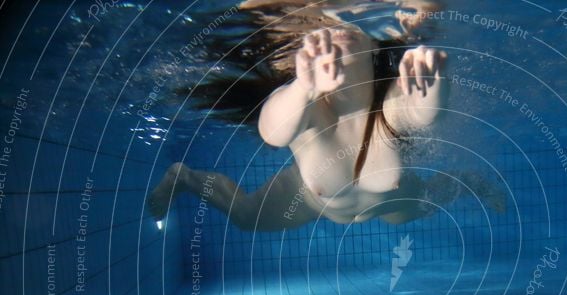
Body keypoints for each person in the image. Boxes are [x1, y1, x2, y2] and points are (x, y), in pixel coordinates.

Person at [146, 1, 506, 230]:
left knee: (424, 201)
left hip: (391, 203)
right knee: (246, 218)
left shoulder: (391, 101)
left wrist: (435, 84)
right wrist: (303, 86)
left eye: (352, 23)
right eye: (328, 26)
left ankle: (470, 181)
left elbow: (422, 112)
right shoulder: (306, 106)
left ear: (374, 43)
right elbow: (274, 132)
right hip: (309, 201)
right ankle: (184, 177)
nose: (339, 30)